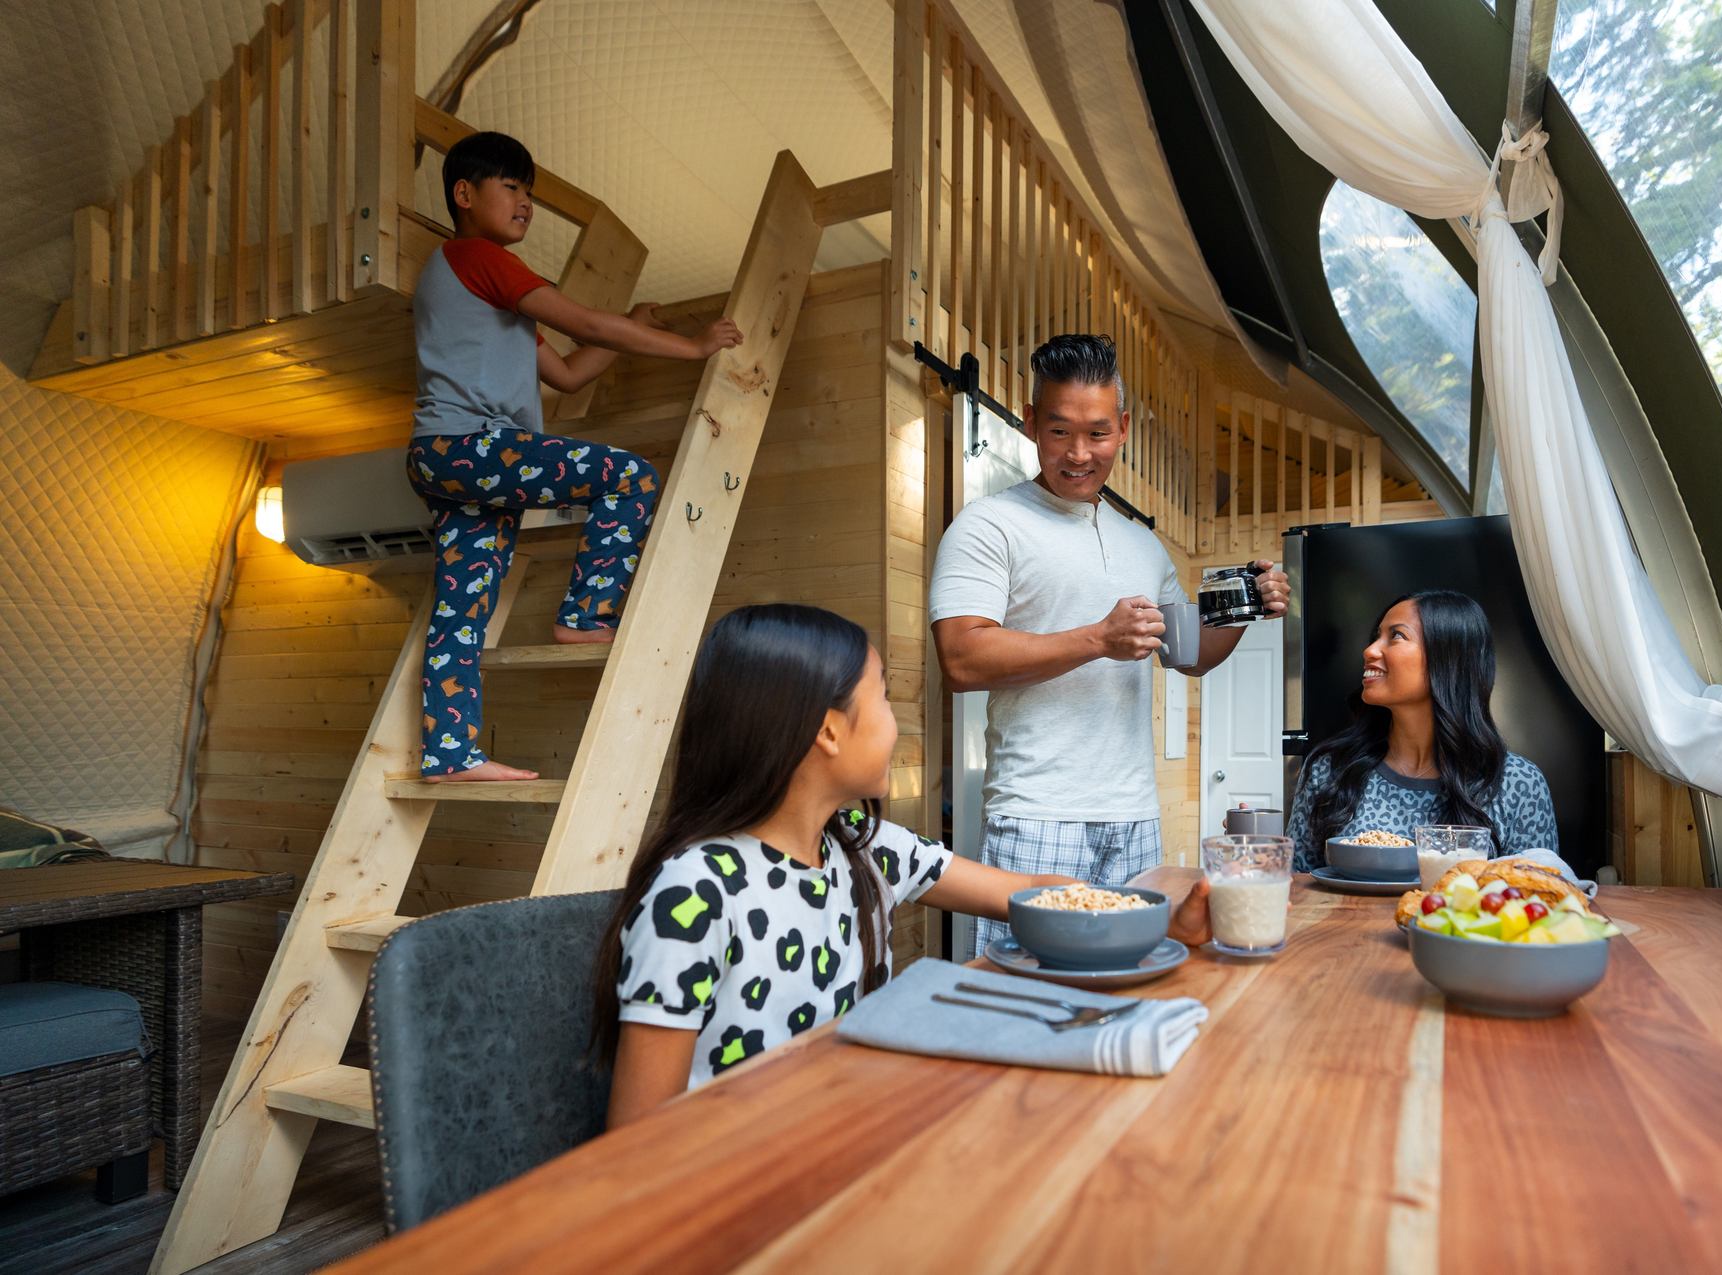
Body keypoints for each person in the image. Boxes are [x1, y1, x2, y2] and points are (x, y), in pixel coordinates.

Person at [591, 604, 1214, 1122]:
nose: (897, 722)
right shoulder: (696, 892)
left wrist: (1155, 921)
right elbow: (638, 1138)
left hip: (851, 1128)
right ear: (829, 731)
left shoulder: (861, 845)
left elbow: (1028, 891)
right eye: (884, 695)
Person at [929, 333, 1288, 954]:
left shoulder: (1142, 546)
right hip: (1036, 814)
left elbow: (1189, 653)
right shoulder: (988, 525)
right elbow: (962, 658)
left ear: (1122, 429)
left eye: (1097, 433)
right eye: (1059, 431)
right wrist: (1098, 637)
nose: (1078, 453)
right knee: (1031, 995)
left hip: (1136, 818)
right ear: (1031, 421)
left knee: (1136, 982)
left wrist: (1248, 608)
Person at [406, 131, 743, 782]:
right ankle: (585, 616)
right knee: (628, 475)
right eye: (512, 188)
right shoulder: (478, 256)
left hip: (449, 460)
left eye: (530, 192)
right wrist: (692, 345)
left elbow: (567, 372)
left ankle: (450, 753)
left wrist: (632, 324)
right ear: (464, 194)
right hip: (472, 445)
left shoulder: (482, 294)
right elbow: (585, 324)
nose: (525, 202)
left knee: (463, 605)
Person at [1287, 590, 1558, 869]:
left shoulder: (1518, 783)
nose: (1369, 651)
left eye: (1396, 636)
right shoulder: (1330, 769)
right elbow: (1296, 882)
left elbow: (1538, 895)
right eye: (1376, 636)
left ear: (1448, 659)